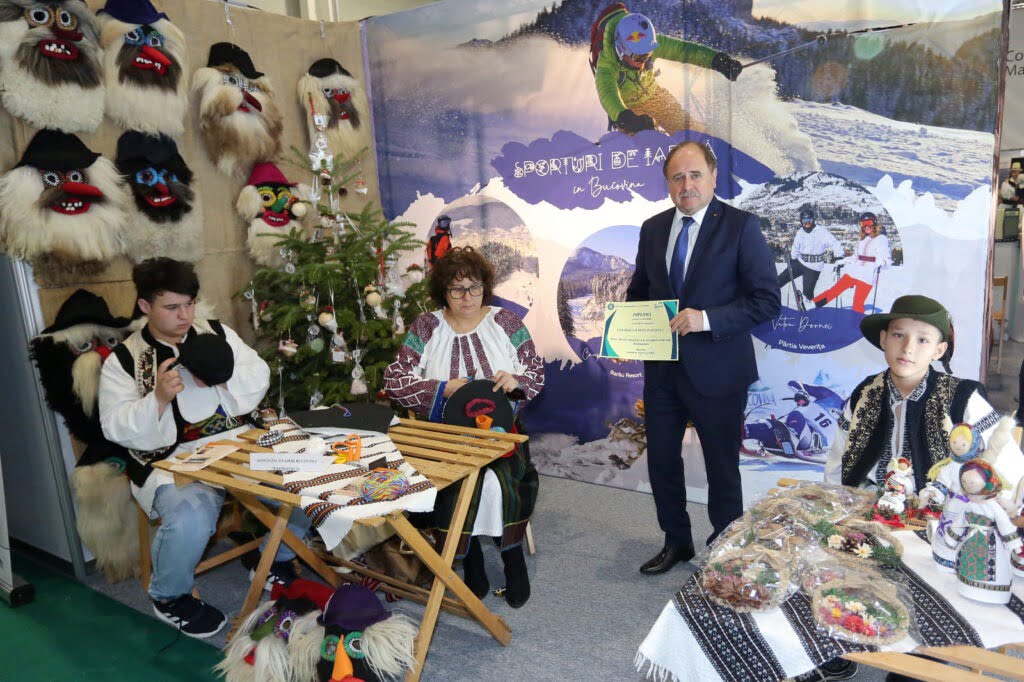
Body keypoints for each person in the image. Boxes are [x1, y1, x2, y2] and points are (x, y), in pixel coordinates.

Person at [819, 294, 1024, 682]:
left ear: (939, 349)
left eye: (923, 339)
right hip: (872, 512)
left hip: (939, 521)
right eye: (898, 335)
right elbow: (838, 463)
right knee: (817, 556)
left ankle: (917, 663)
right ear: (883, 339)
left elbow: (1006, 466)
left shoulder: (962, 398)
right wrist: (837, 508)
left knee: (928, 592)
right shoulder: (865, 394)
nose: (908, 348)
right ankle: (835, 644)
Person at [99, 258, 307, 638]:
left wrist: (224, 379)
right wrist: (157, 399)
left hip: (240, 442)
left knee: (307, 481)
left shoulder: (217, 332)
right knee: (190, 515)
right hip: (175, 460)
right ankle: (170, 596)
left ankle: (272, 558)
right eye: (171, 307)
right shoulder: (125, 360)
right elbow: (113, 425)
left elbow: (257, 372)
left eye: (189, 304)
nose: (184, 316)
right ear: (145, 305)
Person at [625, 140, 780, 574]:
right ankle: (676, 542)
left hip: (719, 370)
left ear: (713, 177)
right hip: (662, 372)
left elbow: (767, 300)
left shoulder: (741, 226)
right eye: (677, 177)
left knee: (721, 468)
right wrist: (630, 325)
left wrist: (706, 319)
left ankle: (724, 552)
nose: (686, 184)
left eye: (695, 175)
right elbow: (639, 292)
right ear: (667, 184)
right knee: (662, 463)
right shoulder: (653, 228)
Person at [383, 247, 544, 607]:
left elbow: (535, 372)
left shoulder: (507, 323)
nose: (467, 297)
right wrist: (442, 388)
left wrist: (515, 382)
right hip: (445, 436)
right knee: (457, 483)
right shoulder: (426, 327)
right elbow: (394, 381)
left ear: (485, 286)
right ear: (443, 291)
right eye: (457, 289)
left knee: (498, 483)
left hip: (501, 436)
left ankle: (512, 558)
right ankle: (472, 561)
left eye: (474, 287)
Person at [590, 6, 743, 134]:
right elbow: (608, 94)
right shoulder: (606, 65)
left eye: (647, 55)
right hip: (629, 110)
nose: (644, 61)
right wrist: (623, 116)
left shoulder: (650, 42)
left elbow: (684, 51)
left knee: (690, 131)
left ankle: (707, 142)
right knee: (645, 141)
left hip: (655, 96)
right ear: (621, 50)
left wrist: (716, 60)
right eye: (639, 57)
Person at [812, 211, 890, 313]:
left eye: (869, 223)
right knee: (834, 290)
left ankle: (857, 321)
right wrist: (843, 261)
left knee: (857, 303)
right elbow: (856, 257)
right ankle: (814, 304)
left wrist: (882, 262)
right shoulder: (862, 239)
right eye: (864, 223)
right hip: (854, 271)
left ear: (874, 223)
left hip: (868, 275)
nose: (867, 226)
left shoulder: (881, 238)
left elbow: (886, 257)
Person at [776, 208, 842, 309]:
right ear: (801, 222)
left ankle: (808, 311)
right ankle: (766, 298)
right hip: (800, 262)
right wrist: (793, 258)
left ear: (813, 220)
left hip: (814, 267)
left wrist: (839, 256)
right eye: (805, 221)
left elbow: (835, 243)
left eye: (809, 220)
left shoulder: (822, 231)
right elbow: (796, 247)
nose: (807, 223)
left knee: (807, 294)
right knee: (780, 279)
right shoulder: (800, 232)